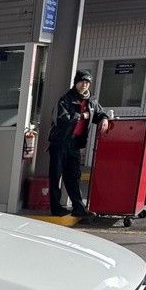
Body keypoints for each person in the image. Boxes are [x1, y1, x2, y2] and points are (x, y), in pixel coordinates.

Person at [48, 69, 110, 217]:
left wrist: (105, 118)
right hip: (60, 143)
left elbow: (99, 113)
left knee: (73, 176)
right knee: (55, 176)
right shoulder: (66, 99)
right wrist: (83, 115)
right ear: (76, 82)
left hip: (75, 144)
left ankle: (78, 208)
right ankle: (56, 208)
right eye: (82, 81)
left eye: (88, 82)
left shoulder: (92, 101)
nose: (85, 85)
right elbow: (63, 119)